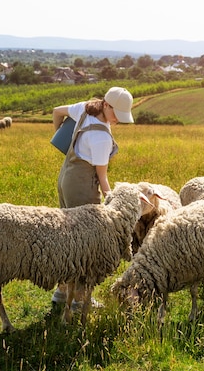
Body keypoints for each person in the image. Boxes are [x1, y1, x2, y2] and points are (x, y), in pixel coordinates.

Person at [50, 86, 134, 307]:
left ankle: (61, 292)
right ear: (106, 105)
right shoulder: (100, 138)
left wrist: (63, 140)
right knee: (86, 244)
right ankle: (80, 299)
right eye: (116, 114)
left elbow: (57, 111)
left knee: (69, 238)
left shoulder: (85, 108)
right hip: (82, 186)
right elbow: (102, 178)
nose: (117, 120)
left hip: (66, 178)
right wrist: (113, 203)